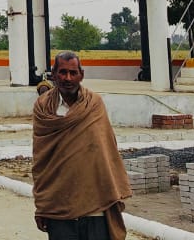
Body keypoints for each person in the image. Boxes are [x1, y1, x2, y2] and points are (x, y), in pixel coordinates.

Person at [31, 51, 131, 239]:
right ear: (54, 74)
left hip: (96, 206)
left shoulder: (94, 104)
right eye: (62, 72)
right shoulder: (44, 108)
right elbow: (41, 160)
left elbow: (106, 151)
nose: (67, 78)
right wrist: (42, 205)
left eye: (73, 72)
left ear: (81, 75)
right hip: (59, 207)